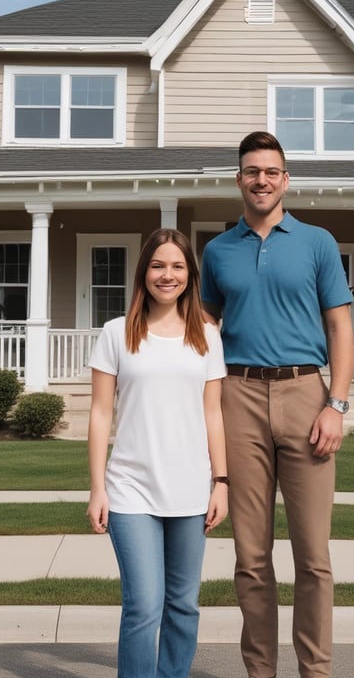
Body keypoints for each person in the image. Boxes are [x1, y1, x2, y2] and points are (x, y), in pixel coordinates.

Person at [201, 131, 354, 678]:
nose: (260, 180)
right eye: (250, 171)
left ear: (285, 179)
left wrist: (336, 403)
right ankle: (259, 672)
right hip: (237, 398)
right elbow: (205, 329)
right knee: (251, 558)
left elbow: (340, 326)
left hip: (306, 396)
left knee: (313, 558)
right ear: (238, 179)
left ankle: (316, 672)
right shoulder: (217, 251)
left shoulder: (316, 242)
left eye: (270, 171)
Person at [86, 228, 228, 678]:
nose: (167, 275)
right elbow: (99, 413)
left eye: (178, 266)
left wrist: (220, 482)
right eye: (158, 265)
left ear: (190, 274)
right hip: (130, 490)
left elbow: (213, 413)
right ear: (143, 271)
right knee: (144, 605)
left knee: (183, 605)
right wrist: (96, 488)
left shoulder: (207, 336)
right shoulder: (114, 333)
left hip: (190, 489)